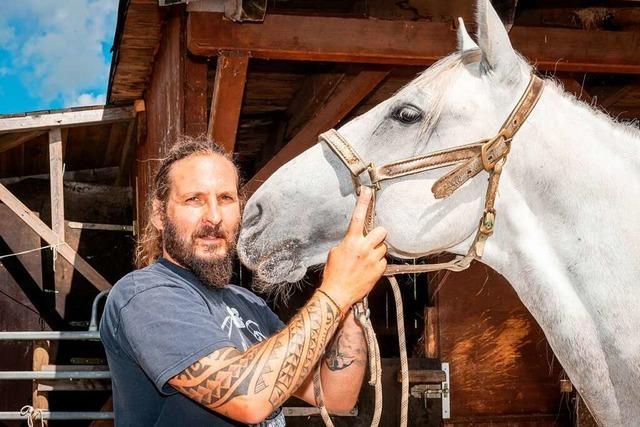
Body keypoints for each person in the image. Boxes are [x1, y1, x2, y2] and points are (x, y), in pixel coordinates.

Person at [100, 135, 388, 426]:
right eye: (193, 200)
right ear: (160, 215)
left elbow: (336, 395)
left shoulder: (247, 302)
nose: (213, 216)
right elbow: (248, 400)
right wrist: (334, 292)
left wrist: (351, 300)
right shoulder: (144, 296)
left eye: (225, 199)